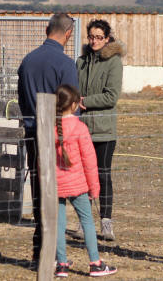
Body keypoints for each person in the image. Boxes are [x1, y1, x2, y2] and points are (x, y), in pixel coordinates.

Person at [17, 13, 79, 264]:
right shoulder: (65, 64)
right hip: (57, 136)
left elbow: (21, 98)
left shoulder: (28, 60)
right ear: (68, 34)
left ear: (46, 29)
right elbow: (71, 104)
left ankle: (38, 249)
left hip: (33, 133)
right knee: (56, 194)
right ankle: (51, 253)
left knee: (39, 191)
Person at [54, 85, 118, 278]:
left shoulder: (49, 127)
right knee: (87, 222)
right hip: (78, 185)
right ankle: (95, 263)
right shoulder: (80, 128)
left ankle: (62, 264)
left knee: (59, 223)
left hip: (56, 185)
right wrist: (94, 187)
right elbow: (90, 162)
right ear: (74, 105)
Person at [76, 19, 124, 241]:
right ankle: (83, 220)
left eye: (99, 37)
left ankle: (106, 222)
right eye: (91, 37)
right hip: (81, 128)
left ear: (107, 38)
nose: (94, 41)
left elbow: (111, 96)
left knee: (103, 175)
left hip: (104, 129)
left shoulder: (114, 62)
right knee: (83, 175)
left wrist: (85, 101)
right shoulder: (81, 62)